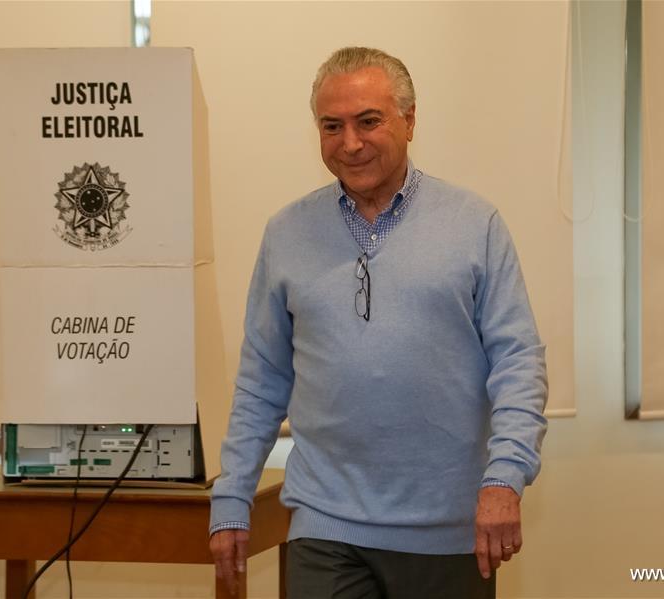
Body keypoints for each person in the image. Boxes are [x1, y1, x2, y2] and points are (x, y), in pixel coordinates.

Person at [209, 46, 548, 599]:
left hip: (450, 532)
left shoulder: (474, 225)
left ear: (409, 121)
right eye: (332, 126)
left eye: (369, 121)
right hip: (325, 525)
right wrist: (232, 495)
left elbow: (518, 363)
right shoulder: (286, 234)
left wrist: (504, 476)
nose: (350, 143)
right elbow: (261, 380)